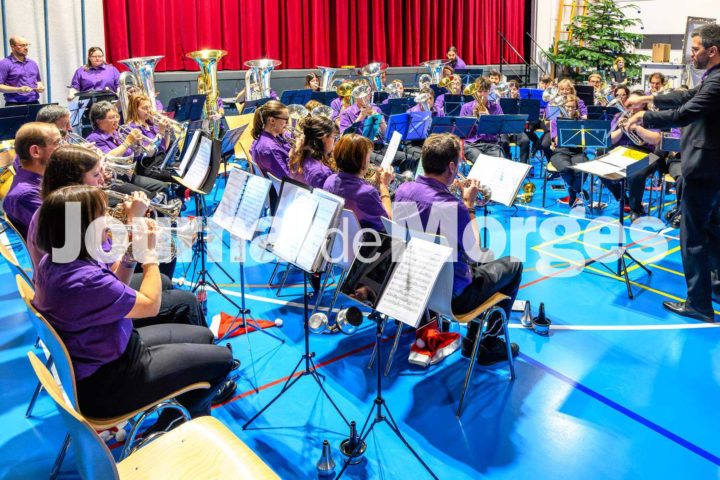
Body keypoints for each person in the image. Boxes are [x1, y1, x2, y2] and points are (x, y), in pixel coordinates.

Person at [33, 185, 236, 427]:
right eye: (101, 215)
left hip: (111, 351)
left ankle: (185, 411)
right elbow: (150, 305)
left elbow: (116, 286)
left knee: (204, 336)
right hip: (110, 382)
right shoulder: (84, 280)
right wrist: (149, 254)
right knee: (222, 360)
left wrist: (131, 253)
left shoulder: (58, 259)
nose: (109, 220)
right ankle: (171, 426)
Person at [28, 145, 205, 328]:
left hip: (83, 296)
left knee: (164, 280)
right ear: (73, 181)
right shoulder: (71, 225)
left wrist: (133, 249)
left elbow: (110, 269)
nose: (103, 178)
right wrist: (136, 228)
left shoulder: (63, 211)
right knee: (185, 301)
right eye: (96, 175)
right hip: (91, 311)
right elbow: (112, 270)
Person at [394, 133, 522, 364]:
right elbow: (476, 251)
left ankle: (474, 338)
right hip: (452, 298)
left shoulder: (403, 190)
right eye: (459, 164)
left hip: (415, 285)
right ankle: (486, 343)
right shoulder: (454, 207)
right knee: (513, 264)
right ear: (451, 167)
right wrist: (469, 205)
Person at [625, 23, 720, 323]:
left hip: (704, 168)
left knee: (693, 236)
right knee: (713, 230)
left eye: (696, 49)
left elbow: (684, 113)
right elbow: (685, 95)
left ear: (712, 51)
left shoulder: (717, 82)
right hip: (712, 168)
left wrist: (645, 115)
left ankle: (699, 304)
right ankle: (715, 287)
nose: (692, 54)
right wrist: (647, 99)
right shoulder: (713, 77)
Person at [85, 101, 168, 195]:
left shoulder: (117, 133)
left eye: (117, 116)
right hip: (114, 180)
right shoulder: (94, 138)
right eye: (112, 117)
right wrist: (127, 142)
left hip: (129, 175)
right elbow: (108, 158)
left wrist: (137, 145)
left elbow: (135, 156)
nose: (116, 120)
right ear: (99, 121)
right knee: (148, 195)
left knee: (163, 187)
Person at [322, 134, 393, 232]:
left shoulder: (330, 180)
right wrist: (383, 185)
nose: (369, 162)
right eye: (368, 158)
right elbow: (388, 222)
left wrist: (376, 184)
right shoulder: (368, 193)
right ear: (362, 161)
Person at [3, 122, 61, 238]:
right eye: (57, 143)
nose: (64, 148)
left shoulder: (43, 180)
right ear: (35, 151)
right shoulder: (26, 195)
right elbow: (68, 239)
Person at [549, 95, 587, 208]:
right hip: (560, 151)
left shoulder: (581, 121)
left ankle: (573, 190)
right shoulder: (555, 120)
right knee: (565, 169)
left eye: (573, 107)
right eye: (568, 107)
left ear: (576, 108)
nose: (570, 109)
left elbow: (585, 141)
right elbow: (556, 140)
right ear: (563, 107)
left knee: (582, 170)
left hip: (577, 151)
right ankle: (578, 189)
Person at [460, 77, 506, 160]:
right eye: (480, 91)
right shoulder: (466, 107)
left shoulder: (496, 107)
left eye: (485, 91)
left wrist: (489, 117)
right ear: (475, 91)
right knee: (480, 161)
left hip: (491, 145)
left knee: (501, 160)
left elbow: (501, 129)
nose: (482, 94)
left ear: (489, 91)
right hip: (472, 145)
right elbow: (462, 131)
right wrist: (473, 116)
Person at [288, 115, 338, 188]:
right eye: (334, 137)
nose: (335, 142)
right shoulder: (323, 173)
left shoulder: (297, 158)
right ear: (324, 138)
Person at [248, 100, 292, 179]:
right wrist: (295, 153)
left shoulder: (261, 136)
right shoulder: (271, 148)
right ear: (272, 121)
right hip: (280, 185)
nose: (287, 124)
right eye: (286, 120)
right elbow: (288, 179)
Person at [0, 36, 44, 105]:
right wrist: (18, 89)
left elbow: (38, 81)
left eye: (27, 45)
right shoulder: (4, 63)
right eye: (22, 45)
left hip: (34, 102)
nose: (26, 48)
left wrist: (40, 86)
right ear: (13, 47)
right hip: (14, 104)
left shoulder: (32, 63)